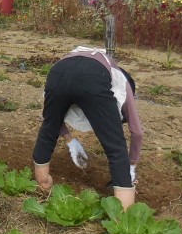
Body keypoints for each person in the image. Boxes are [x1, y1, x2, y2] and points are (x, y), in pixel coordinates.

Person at [32, 46, 143, 210]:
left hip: (57, 72)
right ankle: (125, 215)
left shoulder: (92, 63)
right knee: (115, 146)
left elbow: (52, 118)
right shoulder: (123, 82)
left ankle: (43, 185)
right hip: (93, 77)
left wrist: (70, 140)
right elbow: (137, 132)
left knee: (48, 129)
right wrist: (131, 165)